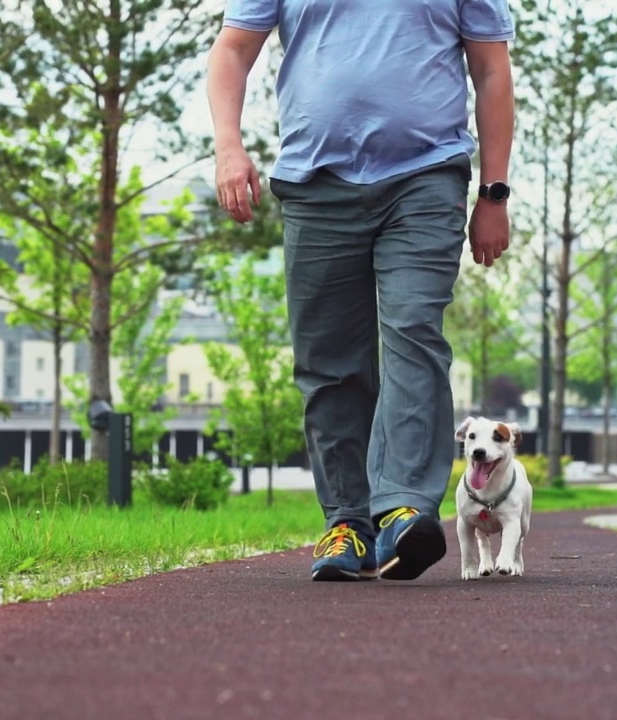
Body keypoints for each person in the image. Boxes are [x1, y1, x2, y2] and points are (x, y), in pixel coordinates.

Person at [206, 1, 515, 582]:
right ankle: (348, 521)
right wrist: (229, 146)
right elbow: (233, 48)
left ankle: (402, 507)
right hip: (314, 182)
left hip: (426, 177)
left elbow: (491, 68)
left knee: (413, 334)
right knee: (329, 360)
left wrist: (493, 193)